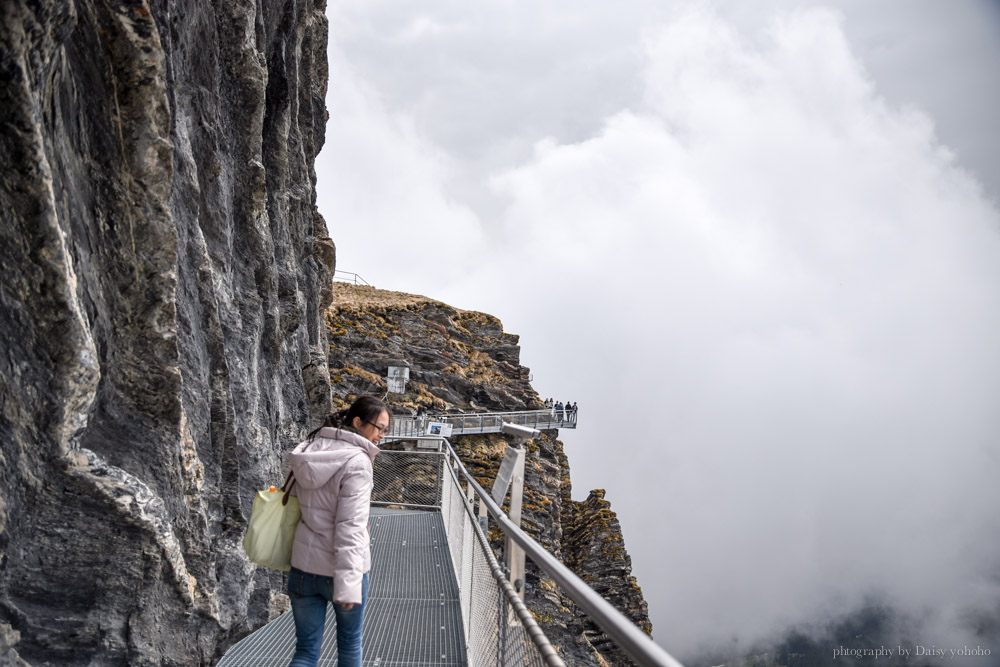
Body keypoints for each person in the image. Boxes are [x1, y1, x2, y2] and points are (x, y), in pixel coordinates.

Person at [286, 396, 389, 667]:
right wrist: (348, 585)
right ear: (358, 422)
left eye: (385, 429)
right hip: (338, 573)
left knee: (305, 652)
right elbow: (351, 527)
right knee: (350, 644)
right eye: (379, 427)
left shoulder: (312, 448)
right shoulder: (357, 462)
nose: (382, 434)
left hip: (302, 569)